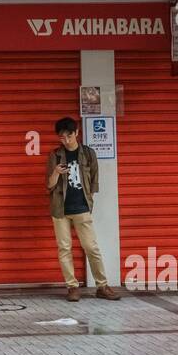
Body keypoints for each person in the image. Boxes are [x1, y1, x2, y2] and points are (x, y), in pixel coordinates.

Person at [47, 117, 121, 303]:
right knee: (64, 248)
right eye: (62, 137)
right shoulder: (55, 155)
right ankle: (72, 287)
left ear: (77, 133)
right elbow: (49, 185)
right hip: (60, 209)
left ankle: (102, 286)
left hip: (81, 207)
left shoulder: (88, 154)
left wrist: (88, 201)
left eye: (69, 135)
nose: (66, 140)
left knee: (91, 247)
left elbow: (94, 181)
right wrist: (56, 172)